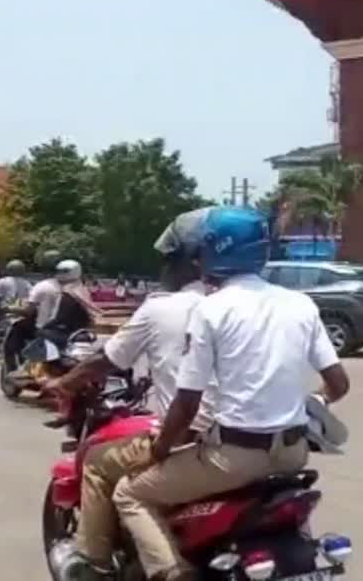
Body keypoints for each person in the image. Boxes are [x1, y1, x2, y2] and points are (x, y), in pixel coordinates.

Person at [112, 206, 351, 581]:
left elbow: (187, 403)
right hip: (292, 456)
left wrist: (157, 452)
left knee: (130, 493)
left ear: (215, 251)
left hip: (235, 457)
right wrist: (313, 403)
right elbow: (339, 385)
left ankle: (173, 573)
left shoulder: (211, 310)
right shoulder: (300, 304)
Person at [43, 210, 215, 581]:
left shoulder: (160, 307)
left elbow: (106, 358)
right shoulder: (240, 306)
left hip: (195, 436)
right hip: (255, 436)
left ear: (182, 264)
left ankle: (94, 561)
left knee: (98, 460)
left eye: (167, 260)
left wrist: (65, 383)